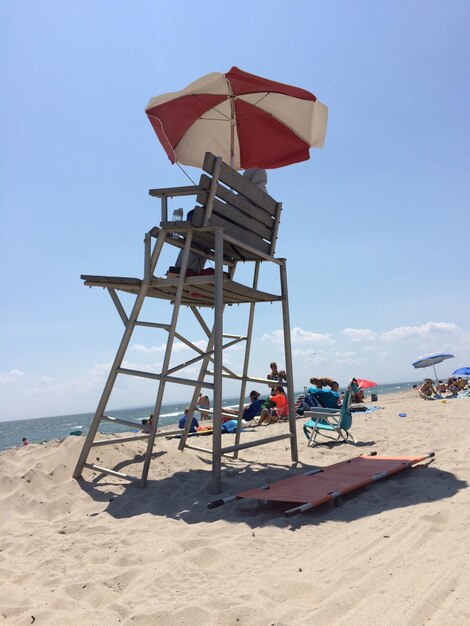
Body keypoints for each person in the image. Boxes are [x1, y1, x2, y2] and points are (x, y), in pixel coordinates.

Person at [169, 167, 268, 276]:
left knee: (198, 223)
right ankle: (185, 273)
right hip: (246, 248)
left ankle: (181, 273)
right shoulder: (267, 204)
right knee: (204, 227)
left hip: (229, 242)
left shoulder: (244, 197)